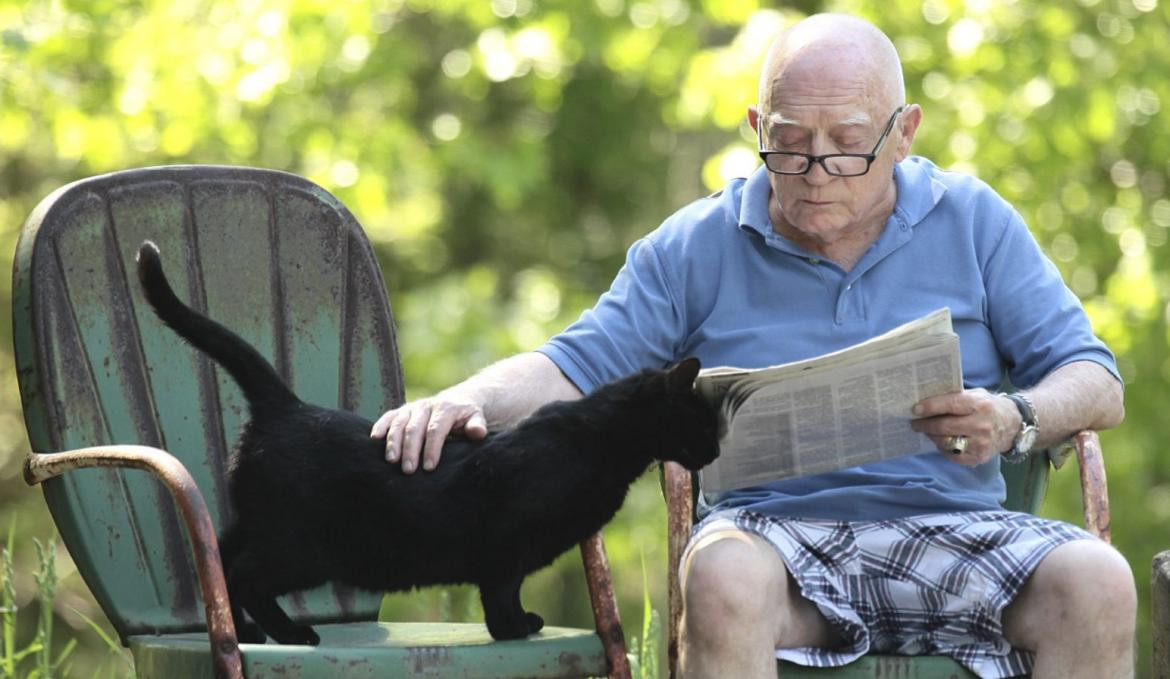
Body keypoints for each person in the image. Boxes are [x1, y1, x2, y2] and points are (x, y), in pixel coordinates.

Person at [369, 13, 1134, 679]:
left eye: (847, 146)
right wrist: (464, 398)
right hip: (777, 547)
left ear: (905, 133)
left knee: (1098, 580)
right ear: (754, 128)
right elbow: (573, 367)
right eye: (789, 144)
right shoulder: (701, 243)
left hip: (951, 533)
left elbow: (1096, 379)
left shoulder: (975, 221)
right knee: (721, 571)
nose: (814, 173)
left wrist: (1013, 416)